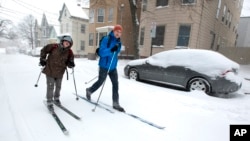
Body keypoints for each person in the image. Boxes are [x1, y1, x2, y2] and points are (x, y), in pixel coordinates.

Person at [86, 24, 125, 112]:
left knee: (115, 84)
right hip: (104, 66)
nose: (118, 33)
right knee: (100, 82)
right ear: (113, 31)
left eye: (120, 32)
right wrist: (111, 49)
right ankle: (89, 90)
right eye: (117, 31)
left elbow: (116, 52)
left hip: (113, 67)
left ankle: (116, 103)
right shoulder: (106, 39)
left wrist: (117, 49)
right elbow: (102, 52)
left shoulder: (119, 42)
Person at [39, 35, 75, 110]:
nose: (67, 43)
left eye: (69, 43)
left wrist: (71, 64)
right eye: (66, 42)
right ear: (62, 41)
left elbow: (70, 62)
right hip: (50, 70)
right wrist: (42, 59)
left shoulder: (69, 52)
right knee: (51, 86)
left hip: (60, 72)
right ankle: (49, 101)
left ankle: (56, 98)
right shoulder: (53, 46)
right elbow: (43, 50)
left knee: (58, 86)